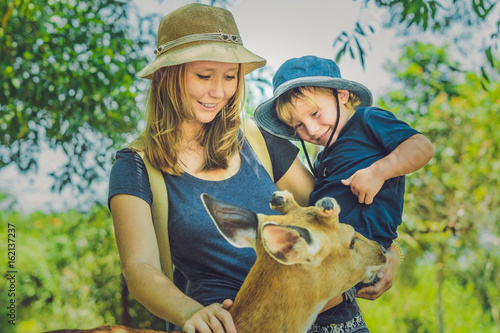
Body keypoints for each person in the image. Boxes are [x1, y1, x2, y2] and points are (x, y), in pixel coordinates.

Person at [108, 4, 315, 333]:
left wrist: (388, 250)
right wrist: (191, 312)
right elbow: (139, 268)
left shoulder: (258, 139)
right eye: (204, 76)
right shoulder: (135, 164)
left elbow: (331, 211)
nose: (219, 92)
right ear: (167, 75)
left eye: (230, 76)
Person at [254, 55, 435, 332]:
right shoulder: (323, 159)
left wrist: (379, 171)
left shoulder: (367, 120)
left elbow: (421, 146)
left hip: (358, 250)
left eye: (314, 114)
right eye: (298, 126)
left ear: (343, 95)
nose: (311, 130)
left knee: (289, 305)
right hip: (332, 250)